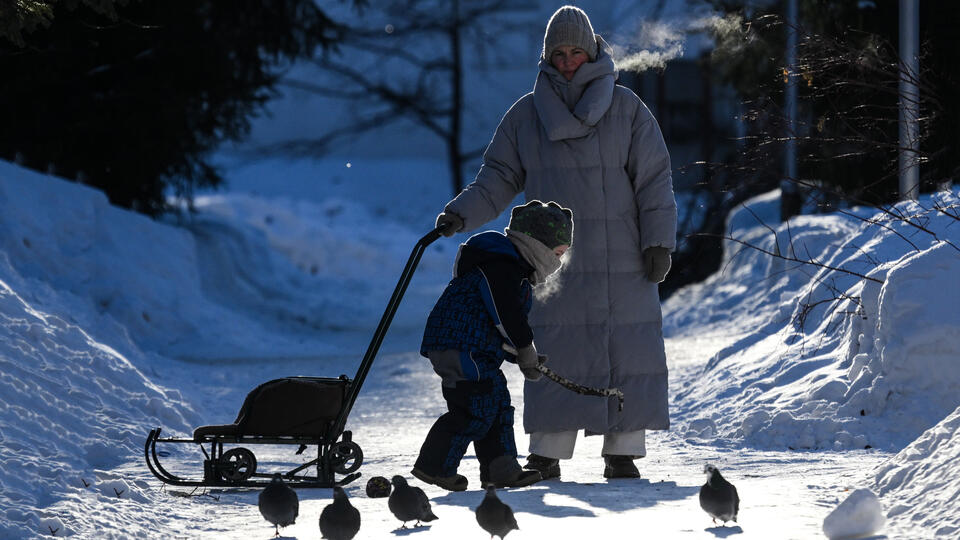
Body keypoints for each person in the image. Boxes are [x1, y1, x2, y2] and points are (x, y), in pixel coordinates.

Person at [434, 5, 676, 480]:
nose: (568, 61)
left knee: (626, 349)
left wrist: (659, 243)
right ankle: (547, 453)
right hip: (549, 259)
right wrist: (461, 213)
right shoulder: (526, 116)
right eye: (559, 53)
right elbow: (498, 178)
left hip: (623, 253)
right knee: (553, 347)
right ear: (547, 57)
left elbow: (654, 181)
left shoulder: (628, 110)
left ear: (592, 51)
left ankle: (621, 451)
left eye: (576, 52)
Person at [413, 200, 574, 491]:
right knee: (476, 408)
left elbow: (494, 327)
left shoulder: (510, 267)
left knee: (497, 404)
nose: (558, 263)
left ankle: (500, 469)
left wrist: (521, 356)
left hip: (473, 348)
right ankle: (434, 466)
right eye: (558, 253)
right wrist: (525, 348)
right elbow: (505, 315)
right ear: (539, 245)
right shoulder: (501, 267)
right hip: (460, 347)